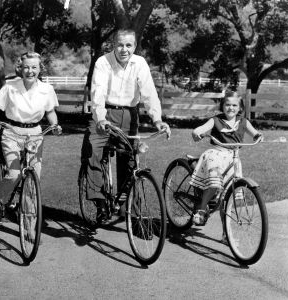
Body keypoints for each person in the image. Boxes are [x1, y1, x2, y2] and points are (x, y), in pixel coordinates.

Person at [80, 28, 171, 224]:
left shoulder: (140, 63)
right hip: (104, 113)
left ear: (134, 46)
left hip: (129, 114)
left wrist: (157, 120)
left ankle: (130, 213)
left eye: (128, 45)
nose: (124, 49)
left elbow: (148, 93)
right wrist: (101, 118)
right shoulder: (103, 62)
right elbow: (98, 93)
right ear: (113, 45)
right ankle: (100, 202)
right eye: (120, 45)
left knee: (130, 161)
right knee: (93, 151)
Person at [0, 51, 61, 226]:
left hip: (35, 135)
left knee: (32, 181)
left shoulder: (47, 89)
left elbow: (51, 112)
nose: (30, 71)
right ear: (20, 68)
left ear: (40, 69)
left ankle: (29, 226)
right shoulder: (10, 86)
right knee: (13, 174)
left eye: (34, 67)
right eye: (26, 67)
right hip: (12, 133)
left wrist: (55, 126)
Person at [189, 90, 262, 225]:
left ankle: (225, 233)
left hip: (233, 158)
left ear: (240, 108)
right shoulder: (216, 120)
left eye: (234, 105)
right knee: (215, 184)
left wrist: (258, 136)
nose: (231, 108)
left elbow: (255, 133)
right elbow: (202, 128)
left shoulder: (243, 122)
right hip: (216, 155)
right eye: (227, 105)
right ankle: (201, 208)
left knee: (227, 196)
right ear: (222, 106)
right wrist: (197, 132)